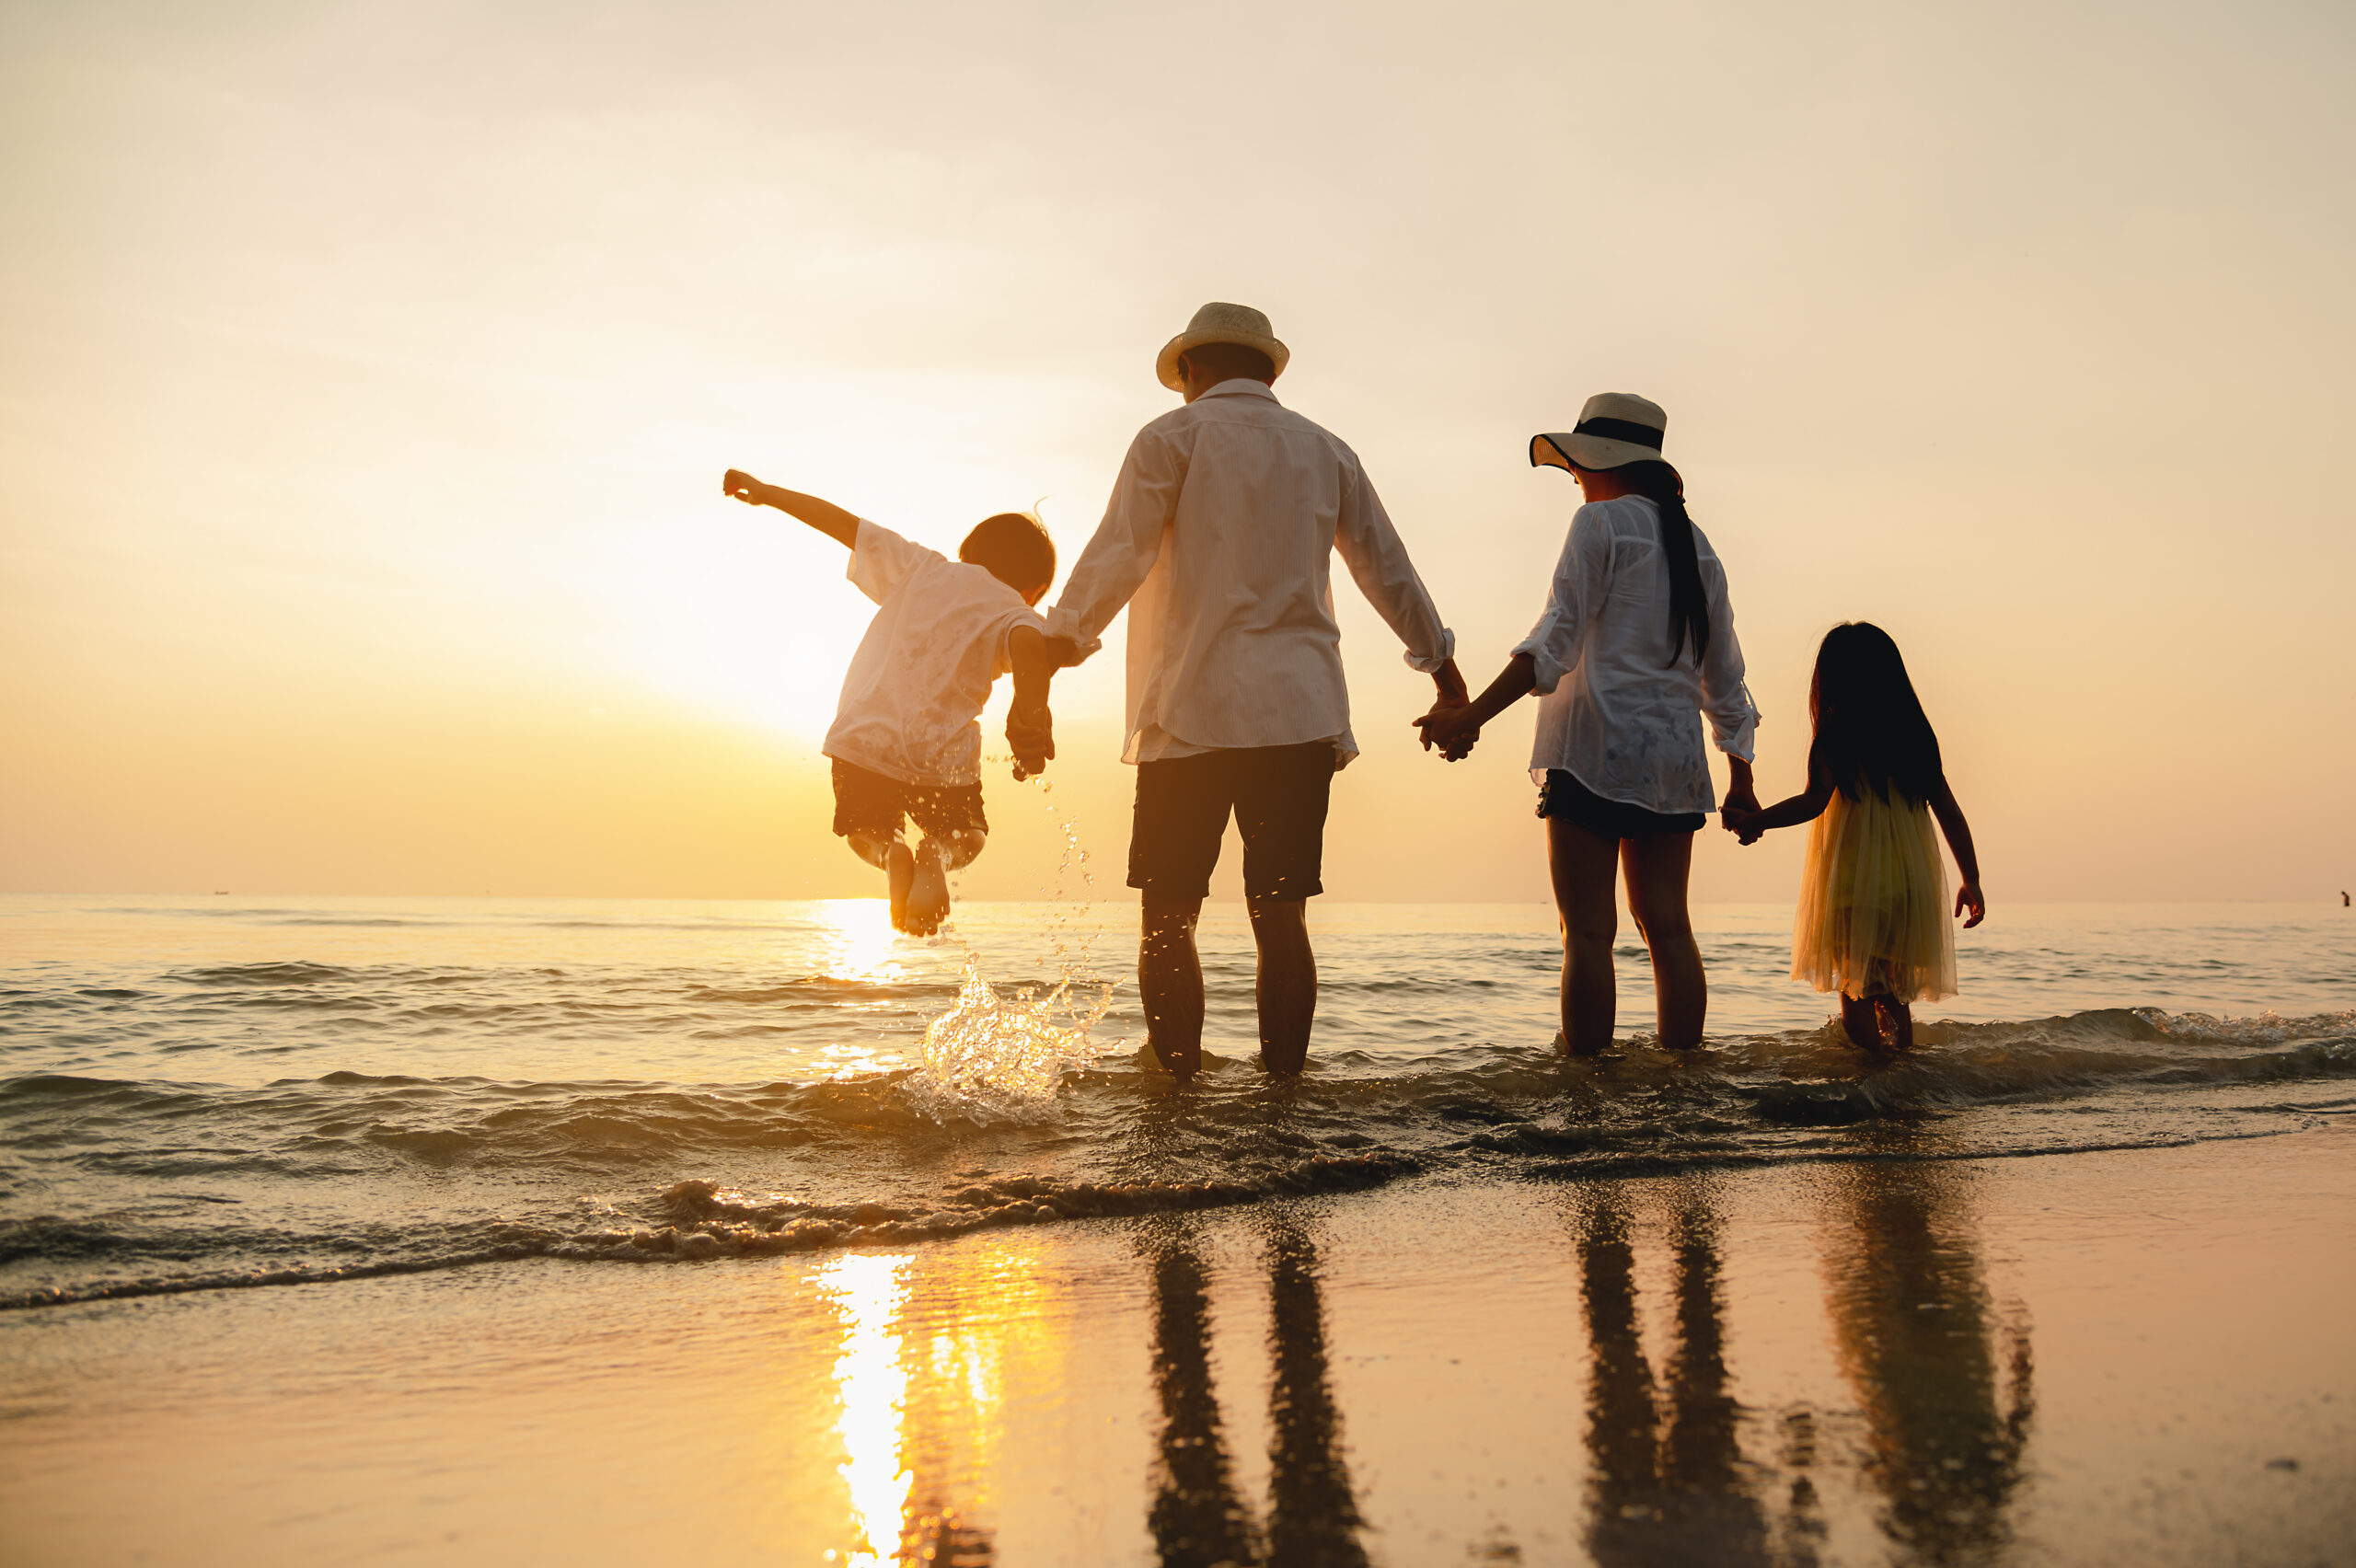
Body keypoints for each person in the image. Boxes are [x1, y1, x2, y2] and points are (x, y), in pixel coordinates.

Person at [1040, 302, 1466, 1080]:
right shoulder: (1325, 449)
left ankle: (1177, 1092)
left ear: (1193, 371)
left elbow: (1118, 554)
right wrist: (1444, 673)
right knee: (1280, 918)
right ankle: (1283, 1096)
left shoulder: (1171, 437)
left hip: (1188, 716)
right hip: (1296, 715)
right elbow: (1386, 567)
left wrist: (1059, 644)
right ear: (1269, 370)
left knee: (1168, 919)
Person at [1416, 393, 1759, 1055]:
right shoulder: (1700, 545)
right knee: (1669, 928)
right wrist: (1740, 777)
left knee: (1589, 931)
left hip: (1593, 751)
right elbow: (1727, 677)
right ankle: (1682, 1080)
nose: (1574, 480)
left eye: (1576, 469)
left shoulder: (1599, 526)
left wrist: (1470, 716)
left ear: (1600, 465)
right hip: (1674, 760)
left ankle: (1588, 1087)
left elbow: (1553, 643)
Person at [721, 469, 1059, 935]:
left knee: (865, 830)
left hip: (864, 741)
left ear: (969, 554)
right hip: (942, 757)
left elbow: (844, 524)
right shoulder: (1017, 612)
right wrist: (1029, 714)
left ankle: (889, 853)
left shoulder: (923, 567)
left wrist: (768, 493)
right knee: (968, 836)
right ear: (1035, 590)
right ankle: (934, 853)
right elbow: (1028, 645)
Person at [1721, 621, 1985, 1051]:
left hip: (1855, 886)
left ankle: (1870, 1076)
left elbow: (1814, 801)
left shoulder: (1835, 735)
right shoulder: (1916, 737)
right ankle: (1901, 1071)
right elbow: (1949, 812)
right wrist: (1970, 878)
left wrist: (1758, 821)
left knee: (1856, 987)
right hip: (1909, 888)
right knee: (1893, 991)